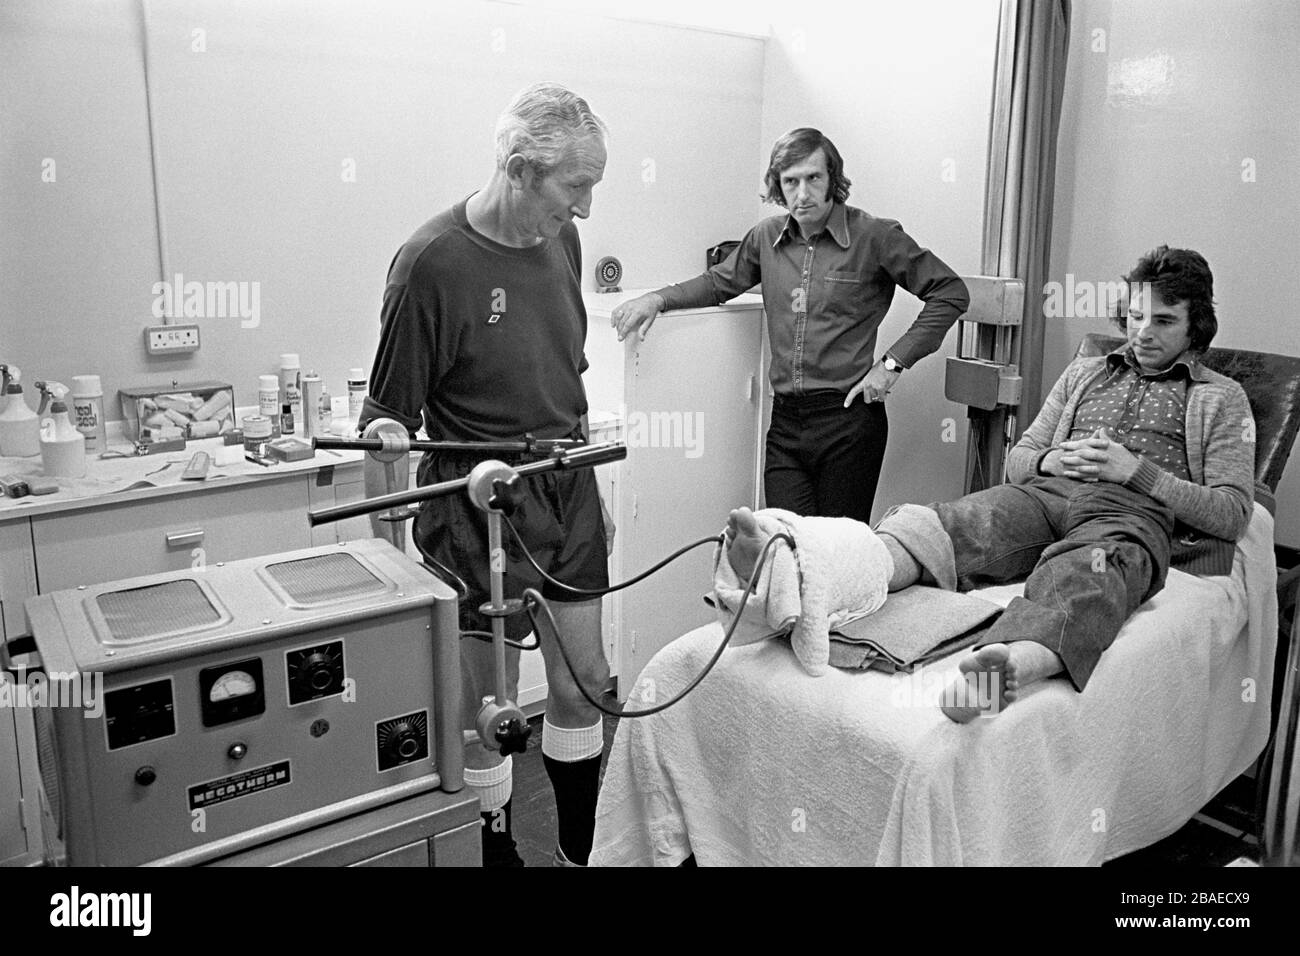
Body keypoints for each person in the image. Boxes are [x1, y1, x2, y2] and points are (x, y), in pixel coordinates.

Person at [725, 246, 1256, 721]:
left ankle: (1008, 667)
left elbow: (1232, 513)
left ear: (1195, 328)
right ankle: (801, 573)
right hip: (1045, 494)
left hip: (1127, 515)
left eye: (1163, 321)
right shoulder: (1087, 374)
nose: (1143, 332)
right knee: (947, 524)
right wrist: (1051, 463)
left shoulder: (1220, 398)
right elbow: (1019, 460)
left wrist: (1132, 471)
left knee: (1091, 571)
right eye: (1136, 316)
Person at [360, 83, 613, 866]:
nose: (586, 209)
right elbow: (386, 425)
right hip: (473, 503)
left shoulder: (561, 241)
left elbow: (561, 375)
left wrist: (590, 494)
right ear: (518, 170)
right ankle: (493, 856)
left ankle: (582, 851)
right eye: (576, 187)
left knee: (585, 683)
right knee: (488, 712)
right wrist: (390, 543)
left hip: (565, 485)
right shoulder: (429, 264)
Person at [611, 127, 969, 522]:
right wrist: (657, 298)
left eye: (813, 178)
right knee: (784, 543)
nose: (802, 194)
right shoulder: (766, 237)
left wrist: (891, 365)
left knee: (835, 555)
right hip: (785, 423)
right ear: (778, 187)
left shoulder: (875, 236)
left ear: (833, 178)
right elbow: (718, 283)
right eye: (790, 182)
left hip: (847, 420)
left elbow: (950, 292)